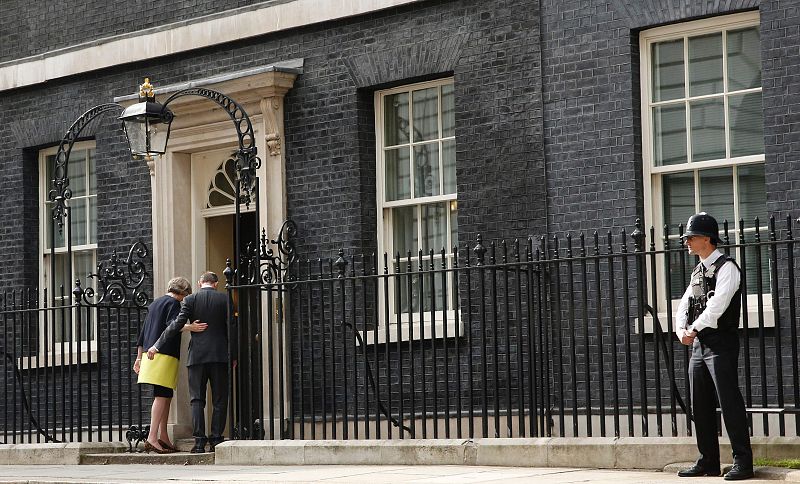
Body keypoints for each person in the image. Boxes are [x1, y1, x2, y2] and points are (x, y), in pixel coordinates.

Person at [675, 212, 753, 481]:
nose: (686, 241)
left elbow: (716, 307)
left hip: (721, 343)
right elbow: (684, 304)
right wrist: (680, 331)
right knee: (701, 405)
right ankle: (708, 461)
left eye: (691, 237)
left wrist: (693, 329)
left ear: (707, 239)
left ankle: (743, 462)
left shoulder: (727, 267)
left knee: (729, 402)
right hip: (700, 345)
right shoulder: (697, 270)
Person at [147, 271, 234, 454]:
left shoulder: (190, 300)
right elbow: (232, 329)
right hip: (219, 356)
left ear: (200, 282)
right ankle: (216, 440)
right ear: (216, 284)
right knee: (219, 400)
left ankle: (199, 443)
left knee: (197, 400)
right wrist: (233, 356)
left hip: (196, 357)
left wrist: (156, 346)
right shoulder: (225, 299)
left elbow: (175, 325)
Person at [133, 276, 200, 454]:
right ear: (182, 292)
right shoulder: (174, 304)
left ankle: (163, 435)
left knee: (166, 394)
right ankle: (152, 437)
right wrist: (190, 327)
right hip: (164, 354)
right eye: (185, 295)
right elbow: (172, 325)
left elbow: (143, 332)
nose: (185, 298)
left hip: (149, 353)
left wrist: (139, 357)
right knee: (162, 395)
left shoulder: (155, 304)